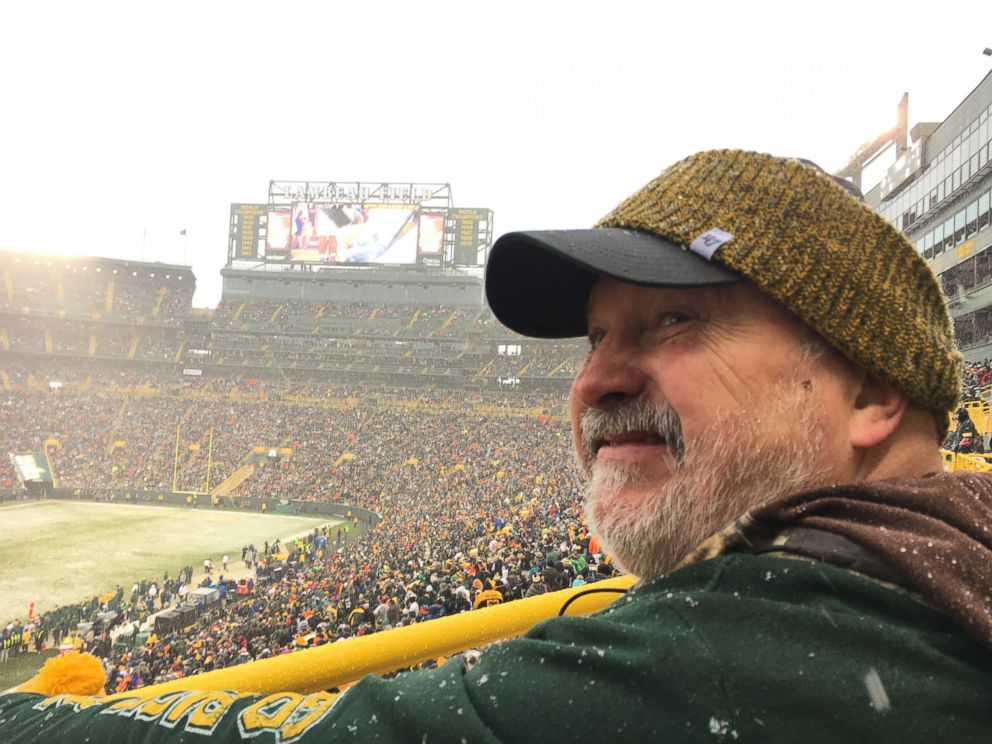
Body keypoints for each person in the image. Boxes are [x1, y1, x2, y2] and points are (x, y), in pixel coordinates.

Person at [2, 150, 991, 741]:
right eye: (598, 336)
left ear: (869, 392)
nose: (595, 379)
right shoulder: (934, 571)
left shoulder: (764, 648)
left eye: (674, 324)